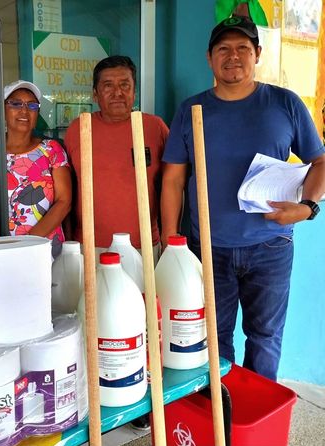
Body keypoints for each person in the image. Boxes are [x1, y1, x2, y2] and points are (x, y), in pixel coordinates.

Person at [161, 16, 325, 381]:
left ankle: (258, 406)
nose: (233, 56)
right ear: (209, 58)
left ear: (257, 54)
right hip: (208, 247)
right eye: (223, 49)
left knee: (265, 337)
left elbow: (320, 162)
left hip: (271, 245)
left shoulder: (284, 103)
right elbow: (173, 179)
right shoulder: (191, 110)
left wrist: (307, 208)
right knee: (213, 338)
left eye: (242, 48)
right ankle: (223, 406)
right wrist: (170, 240)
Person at [64, 55, 169, 261]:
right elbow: (66, 190)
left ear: (134, 92)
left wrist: (169, 235)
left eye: (124, 85)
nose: (117, 93)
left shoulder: (154, 127)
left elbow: (173, 185)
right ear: (95, 94)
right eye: (108, 86)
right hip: (90, 245)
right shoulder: (79, 129)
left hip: (144, 245)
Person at [0, 80, 71, 256]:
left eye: (32, 106)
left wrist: (29, 242)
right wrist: (6, 243)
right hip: (0, 249)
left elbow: (64, 202)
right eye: (16, 104)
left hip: (45, 249)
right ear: (2, 109)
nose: (24, 111)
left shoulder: (51, 150)